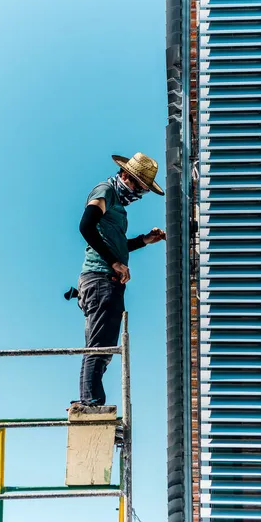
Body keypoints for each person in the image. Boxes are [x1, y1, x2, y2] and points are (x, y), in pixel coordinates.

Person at [73, 152, 165, 407]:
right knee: (99, 346)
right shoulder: (106, 191)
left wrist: (145, 240)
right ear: (126, 176)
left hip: (107, 280)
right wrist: (113, 262)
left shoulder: (118, 208)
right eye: (139, 187)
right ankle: (90, 403)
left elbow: (117, 245)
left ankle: (92, 401)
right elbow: (86, 226)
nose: (139, 194)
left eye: (145, 192)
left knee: (104, 345)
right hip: (100, 278)